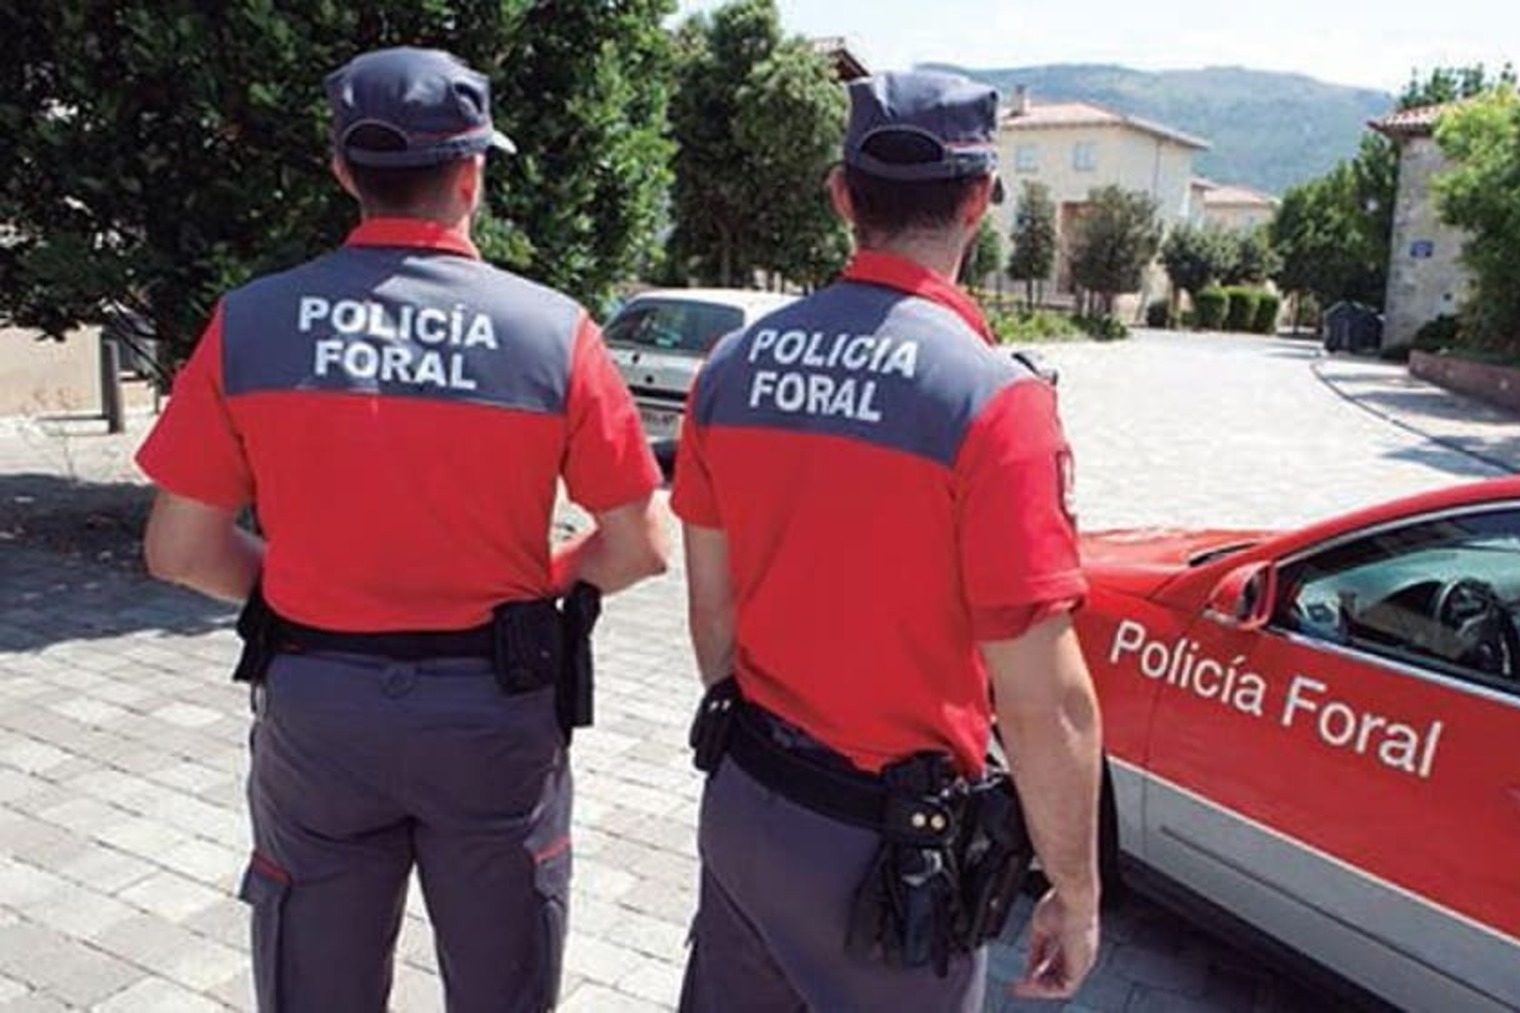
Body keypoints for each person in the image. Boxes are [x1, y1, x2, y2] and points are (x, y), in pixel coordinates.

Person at [136, 46, 669, 1012]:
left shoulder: (252, 322)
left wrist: (303, 582)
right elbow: (641, 543)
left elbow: (179, 548)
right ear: (472, 174)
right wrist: (546, 572)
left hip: (318, 711)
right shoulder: (553, 332)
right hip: (492, 714)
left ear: (345, 172)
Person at [671, 70, 1104, 1011]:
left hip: (747, 805)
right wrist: (1076, 890)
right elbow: (1047, 705)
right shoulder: (997, 402)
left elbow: (712, 609)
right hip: (889, 869)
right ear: (981, 199)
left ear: (840, 194)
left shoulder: (734, 365)